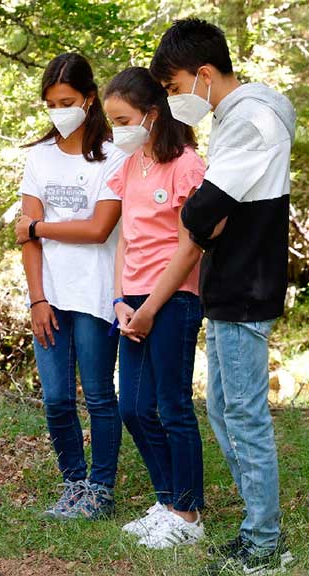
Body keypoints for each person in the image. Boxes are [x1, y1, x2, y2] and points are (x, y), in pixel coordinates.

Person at [151, 18, 296, 576]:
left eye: (175, 86)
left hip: (243, 284)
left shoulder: (250, 122)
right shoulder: (246, 113)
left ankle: (263, 544)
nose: (173, 98)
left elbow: (201, 211)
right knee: (224, 410)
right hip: (236, 283)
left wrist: (200, 216)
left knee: (244, 415)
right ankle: (258, 530)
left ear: (204, 74)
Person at [15, 53, 126, 521]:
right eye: (51, 103)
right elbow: (25, 234)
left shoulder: (114, 154)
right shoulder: (38, 158)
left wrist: (40, 228)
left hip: (97, 292)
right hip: (52, 295)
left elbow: (100, 227)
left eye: (67, 101)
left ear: (89, 99)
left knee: (99, 393)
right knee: (57, 396)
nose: (59, 110)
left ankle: (101, 487)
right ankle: (73, 483)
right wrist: (38, 298)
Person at [103, 67, 207, 548]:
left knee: (171, 407)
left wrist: (151, 307)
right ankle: (167, 501)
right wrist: (123, 300)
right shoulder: (129, 165)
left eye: (123, 119)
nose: (116, 130)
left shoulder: (187, 164)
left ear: (151, 113)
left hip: (175, 297)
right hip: (135, 300)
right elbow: (127, 236)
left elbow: (190, 246)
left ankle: (187, 516)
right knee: (134, 408)